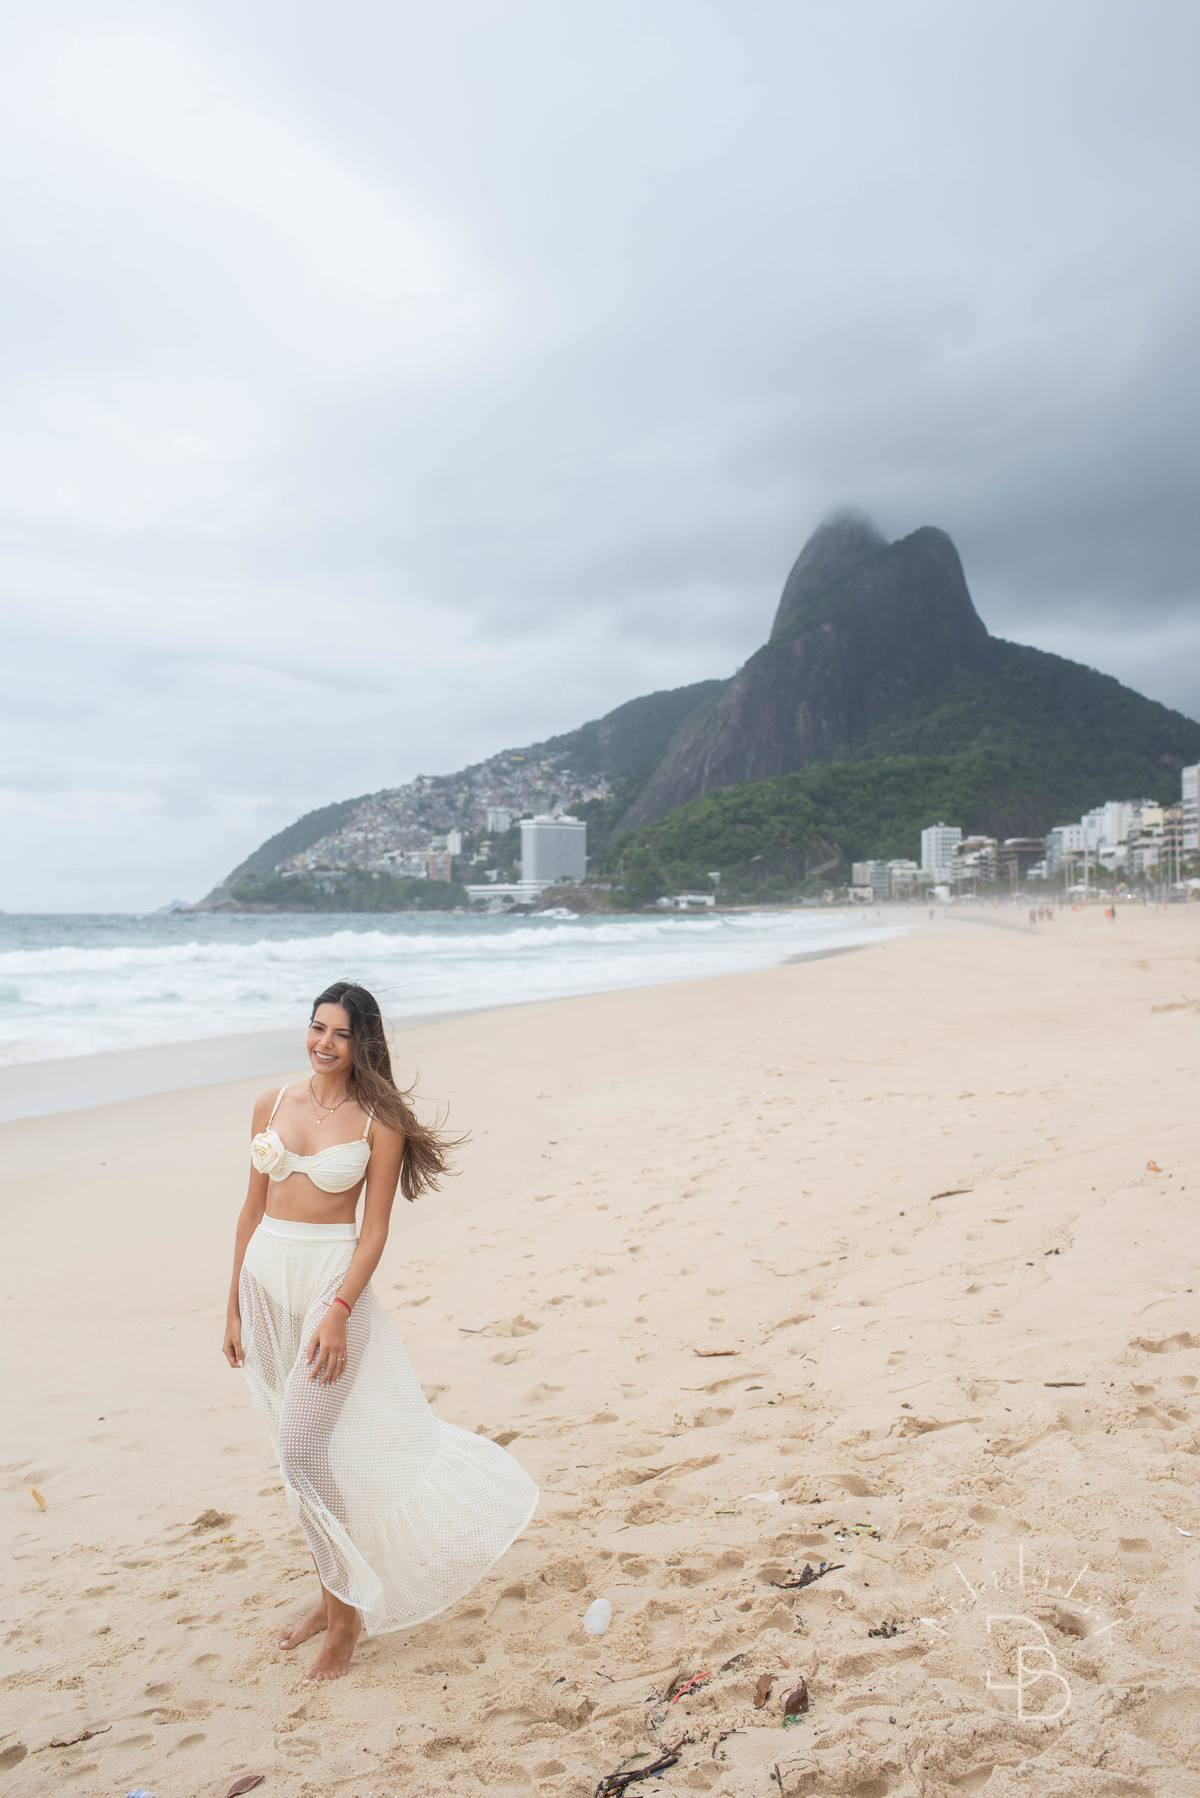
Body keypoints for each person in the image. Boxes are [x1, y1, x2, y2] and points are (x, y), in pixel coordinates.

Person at [223, 980, 537, 1684]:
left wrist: (338, 1309)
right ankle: (334, 1594)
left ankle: (345, 1621)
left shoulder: (379, 1120)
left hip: (331, 1287)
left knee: (302, 1448)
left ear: (363, 1042)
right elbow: (249, 1211)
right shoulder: (270, 1103)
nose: (324, 1043)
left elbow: (374, 1231)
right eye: (317, 1027)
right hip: (265, 1284)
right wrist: (233, 1306)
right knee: (299, 1458)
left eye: (340, 1033)